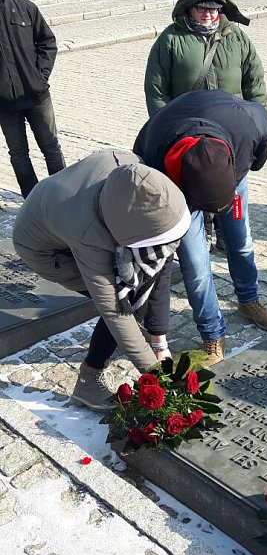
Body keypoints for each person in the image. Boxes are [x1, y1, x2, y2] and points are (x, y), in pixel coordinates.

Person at [13, 150, 191, 411]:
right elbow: (115, 310)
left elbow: (160, 265)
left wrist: (159, 344)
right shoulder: (89, 234)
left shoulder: (137, 174)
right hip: (44, 248)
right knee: (127, 300)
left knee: (140, 285)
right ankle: (89, 378)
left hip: (66, 210)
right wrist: (157, 376)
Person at [133, 89, 267, 365]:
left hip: (229, 165)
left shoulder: (249, 123)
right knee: (195, 265)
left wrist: (251, 165)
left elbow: (263, 133)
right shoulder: (153, 154)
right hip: (178, 185)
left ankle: (249, 300)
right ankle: (212, 332)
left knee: (240, 240)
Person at [144, 0, 267, 252]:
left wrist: (259, 123)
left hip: (232, 135)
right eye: (203, 8)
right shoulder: (170, 40)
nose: (210, 15)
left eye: (215, 9)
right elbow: (156, 90)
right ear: (189, 6)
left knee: (233, 192)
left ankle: (230, 238)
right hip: (189, 137)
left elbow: (255, 83)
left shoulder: (237, 38)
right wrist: (167, 131)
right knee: (194, 189)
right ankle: (197, 241)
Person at [0, 0, 65, 198]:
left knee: (51, 147)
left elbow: (47, 42)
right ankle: (33, 201)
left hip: (36, 95)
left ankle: (62, 197)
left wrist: (40, 76)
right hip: (4, 103)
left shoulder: (25, 7)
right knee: (18, 154)